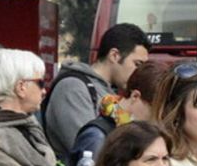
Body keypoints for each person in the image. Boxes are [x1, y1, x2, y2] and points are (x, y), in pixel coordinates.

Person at [43, 22, 150, 157]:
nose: (139, 72)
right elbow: (88, 148)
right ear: (114, 55)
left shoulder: (109, 92)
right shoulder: (72, 88)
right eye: (137, 64)